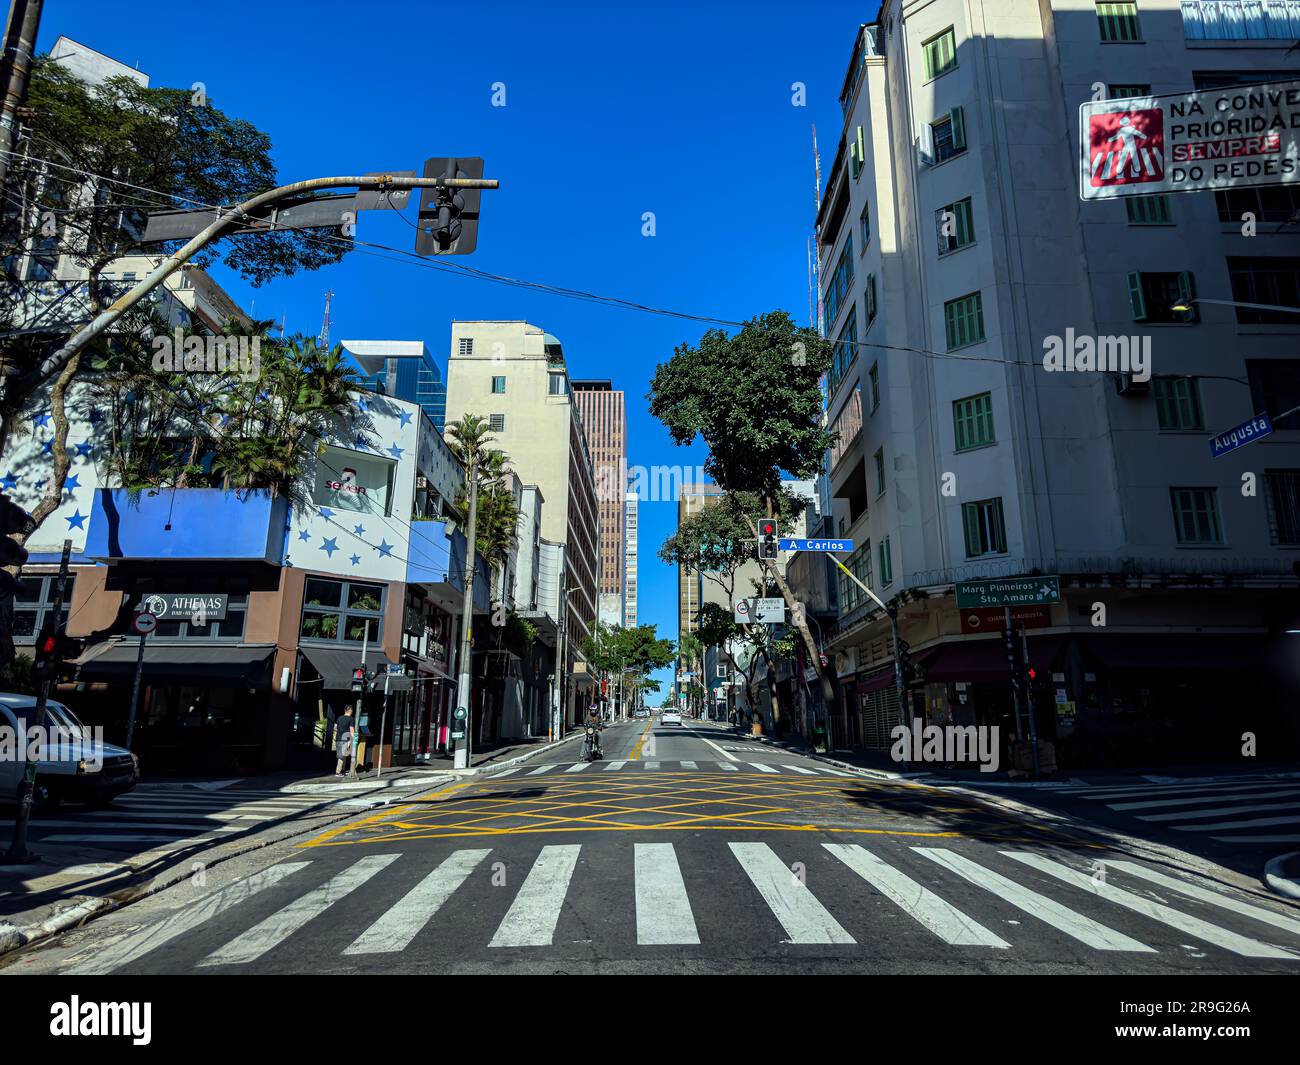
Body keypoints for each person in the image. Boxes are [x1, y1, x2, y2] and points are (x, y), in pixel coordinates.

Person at [335, 705, 356, 777]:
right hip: (346, 739)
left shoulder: (339, 718)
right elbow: (352, 730)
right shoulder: (351, 719)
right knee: (342, 755)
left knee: (343, 755)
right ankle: (338, 772)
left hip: (338, 738)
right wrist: (354, 739)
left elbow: (336, 728)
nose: (352, 711)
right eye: (352, 710)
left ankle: (342, 771)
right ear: (349, 710)